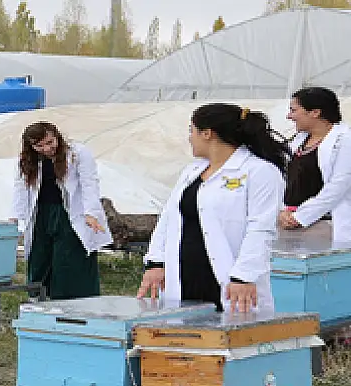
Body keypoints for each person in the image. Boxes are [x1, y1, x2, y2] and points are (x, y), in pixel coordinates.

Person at [138, 104, 289, 313]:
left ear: (207, 133)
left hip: (229, 278)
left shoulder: (260, 172)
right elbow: (168, 218)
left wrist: (244, 276)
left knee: (230, 336)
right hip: (184, 273)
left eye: (191, 131)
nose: (189, 137)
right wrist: (156, 262)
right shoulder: (192, 171)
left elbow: (261, 229)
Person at [11, 122, 112, 300]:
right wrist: (16, 217)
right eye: (39, 146)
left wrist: (91, 213)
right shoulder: (27, 160)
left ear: (57, 137)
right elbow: (21, 188)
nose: (47, 148)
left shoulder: (77, 153)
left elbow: (89, 183)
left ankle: (74, 301)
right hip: (41, 213)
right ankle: (39, 299)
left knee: (69, 258)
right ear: (31, 146)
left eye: (50, 142)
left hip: (70, 213)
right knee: (40, 256)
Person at [278, 87, 351, 244]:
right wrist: (282, 211)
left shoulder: (344, 141)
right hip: (291, 223)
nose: (289, 116)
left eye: (294, 110)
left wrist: (302, 216)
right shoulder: (297, 142)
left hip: (326, 225)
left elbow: (339, 186)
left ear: (315, 112)